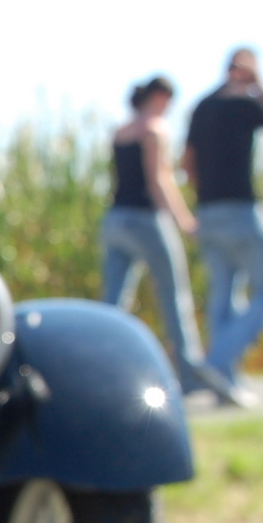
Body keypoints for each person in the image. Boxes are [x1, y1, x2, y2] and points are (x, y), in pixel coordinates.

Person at [183, 47, 263, 406]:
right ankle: (217, 362)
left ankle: (224, 383)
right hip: (242, 211)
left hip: (209, 211)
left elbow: (187, 163)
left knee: (224, 296)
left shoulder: (201, 106)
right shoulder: (247, 104)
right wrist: (260, 87)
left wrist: (204, 199)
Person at [98, 75, 215, 397]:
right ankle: (189, 375)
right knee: (174, 297)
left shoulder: (121, 131)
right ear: (160, 97)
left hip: (115, 220)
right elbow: (158, 179)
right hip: (146, 220)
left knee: (113, 303)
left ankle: (100, 363)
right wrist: (185, 221)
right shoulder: (155, 130)